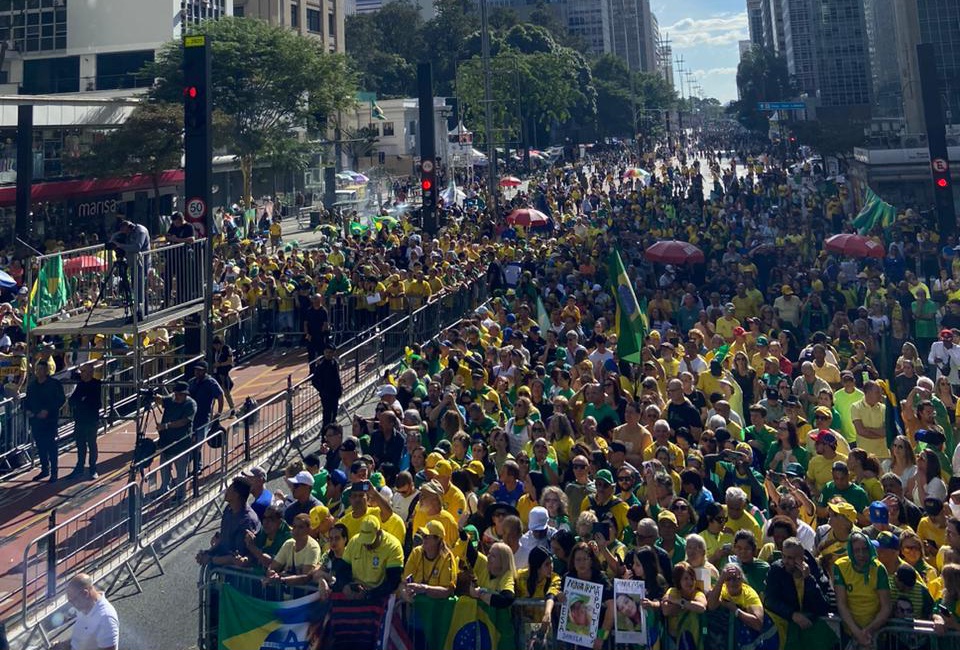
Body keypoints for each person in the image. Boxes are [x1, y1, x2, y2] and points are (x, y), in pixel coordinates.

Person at [763, 537, 835, 650]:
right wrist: (792, 614)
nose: (785, 561)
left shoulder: (815, 569)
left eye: (790, 558)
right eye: (784, 556)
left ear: (801, 558)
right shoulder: (776, 569)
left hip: (811, 623)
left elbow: (823, 606)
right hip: (786, 622)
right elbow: (770, 600)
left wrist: (808, 579)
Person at [833, 531, 892, 649]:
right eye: (856, 550)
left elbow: (886, 606)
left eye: (864, 549)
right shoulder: (840, 566)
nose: (861, 554)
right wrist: (856, 632)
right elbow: (841, 603)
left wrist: (868, 631)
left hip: (875, 632)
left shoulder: (878, 569)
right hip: (849, 631)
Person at [333, 516, 404, 601]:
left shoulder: (393, 546)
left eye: (370, 541)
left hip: (379, 596)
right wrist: (345, 586)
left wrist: (369, 594)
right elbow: (342, 570)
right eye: (364, 541)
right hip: (355, 591)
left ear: (379, 533)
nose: (366, 545)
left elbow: (393, 581)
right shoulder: (354, 542)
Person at [196, 477, 260, 566]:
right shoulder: (228, 509)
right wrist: (208, 553)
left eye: (229, 489)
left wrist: (211, 559)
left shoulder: (247, 521)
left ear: (236, 494)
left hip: (238, 574)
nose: (226, 491)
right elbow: (224, 542)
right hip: (224, 564)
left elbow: (237, 555)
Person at [51, 573, 119, 650]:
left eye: (73, 600)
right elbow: (82, 639)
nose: (73, 605)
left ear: (85, 593)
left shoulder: (106, 618)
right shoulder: (84, 607)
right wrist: (64, 645)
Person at [24, 360, 66, 483]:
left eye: (41, 369)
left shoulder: (54, 384)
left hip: (50, 420)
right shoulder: (32, 385)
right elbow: (27, 401)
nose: (39, 372)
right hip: (36, 421)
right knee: (40, 446)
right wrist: (27, 411)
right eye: (37, 369)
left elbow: (61, 400)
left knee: (51, 446)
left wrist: (48, 410)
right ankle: (44, 469)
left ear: (47, 371)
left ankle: (54, 472)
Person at [154, 381, 196, 501]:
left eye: (180, 394)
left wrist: (166, 426)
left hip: (181, 443)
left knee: (181, 471)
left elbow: (184, 421)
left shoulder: (190, 404)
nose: (177, 396)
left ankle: (181, 494)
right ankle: (164, 488)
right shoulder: (171, 400)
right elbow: (161, 400)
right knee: (164, 467)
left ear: (185, 394)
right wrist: (155, 397)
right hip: (167, 442)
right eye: (176, 394)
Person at [400, 520, 456, 600]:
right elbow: (404, 582)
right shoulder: (417, 552)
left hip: (437, 605)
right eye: (422, 535)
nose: (423, 539)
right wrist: (406, 594)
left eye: (426, 536)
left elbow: (447, 591)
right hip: (416, 603)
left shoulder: (447, 558)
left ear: (438, 540)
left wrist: (424, 588)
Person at [263, 513, 322, 586]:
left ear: (309, 529)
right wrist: (271, 573)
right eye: (294, 527)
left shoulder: (313, 547)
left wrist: (282, 579)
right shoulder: (288, 544)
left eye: (301, 527)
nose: (296, 530)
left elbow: (306, 577)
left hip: (304, 595)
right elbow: (274, 567)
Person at [68, 361, 102, 480]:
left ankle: (93, 468)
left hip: (91, 420)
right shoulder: (80, 385)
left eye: (84, 371)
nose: (81, 374)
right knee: (80, 444)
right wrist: (80, 402)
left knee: (91, 443)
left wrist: (81, 402)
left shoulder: (96, 385)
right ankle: (79, 467)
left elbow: (95, 403)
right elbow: (72, 401)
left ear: (90, 372)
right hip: (80, 419)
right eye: (81, 371)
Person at [110, 219, 150, 318]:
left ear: (129, 227)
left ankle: (141, 312)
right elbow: (112, 240)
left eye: (125, 231)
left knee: (140, 286)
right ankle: (138, 310)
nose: (125, 234)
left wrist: (120, 245)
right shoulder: (127, 231)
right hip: (132, 263)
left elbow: (137, 247)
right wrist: (115, 239)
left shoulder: (140, 231)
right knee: (134, 286)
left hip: (141, 263)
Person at [163, 211, 196, 307]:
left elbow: (191, 239)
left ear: (181, 220)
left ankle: (180, 299)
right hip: (172, 256)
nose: (175, 225)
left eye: (176, 222)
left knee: (181, 279)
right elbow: (168, 236)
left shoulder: (189, 227)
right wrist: (170, 238)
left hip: (183, 256)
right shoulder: (173, 226)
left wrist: (177, 240)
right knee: (168, 278)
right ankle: (166, 301)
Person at [310, 342, 343, 427]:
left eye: (330, 352)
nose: (328, 354)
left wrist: (339, 389)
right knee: (327, 416)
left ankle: (332, 430)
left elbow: (337, 377)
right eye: (327, 352)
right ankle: (325, 435)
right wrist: (322, 389)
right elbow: (314, 381)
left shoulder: (334, 363)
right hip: (326, 394)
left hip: (334, 393)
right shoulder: (321, 366)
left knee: (334, 412)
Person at [211, 337, 236, 414]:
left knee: (226, 392)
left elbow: (230, 361)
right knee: (212, 392)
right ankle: (210, 411)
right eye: (215, 345)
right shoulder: (213, 350)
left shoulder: (226, 349)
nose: (216, 347)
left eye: (217, 345)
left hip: (223, 373)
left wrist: (220, 364)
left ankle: (232, 408)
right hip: (215, 373)